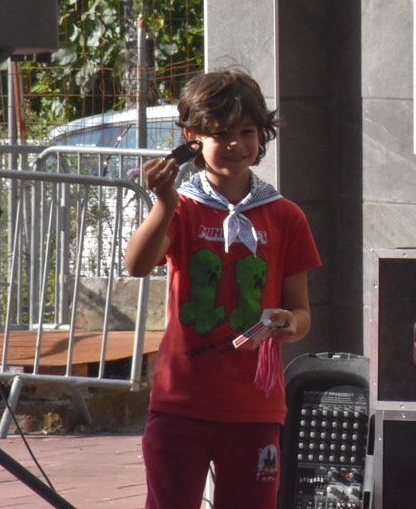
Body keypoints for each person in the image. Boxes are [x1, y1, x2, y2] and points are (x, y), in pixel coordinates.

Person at [125, 69, 321, 509]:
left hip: (255, 409)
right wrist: (164, 202)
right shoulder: (182, 207)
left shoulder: (286, 216)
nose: (236, 144)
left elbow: (302, 313)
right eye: (220, 134)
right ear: (192, 139)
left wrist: (289, 324)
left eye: (247, 131)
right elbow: (136, 265)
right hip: (180, 404)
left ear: (262, 134)